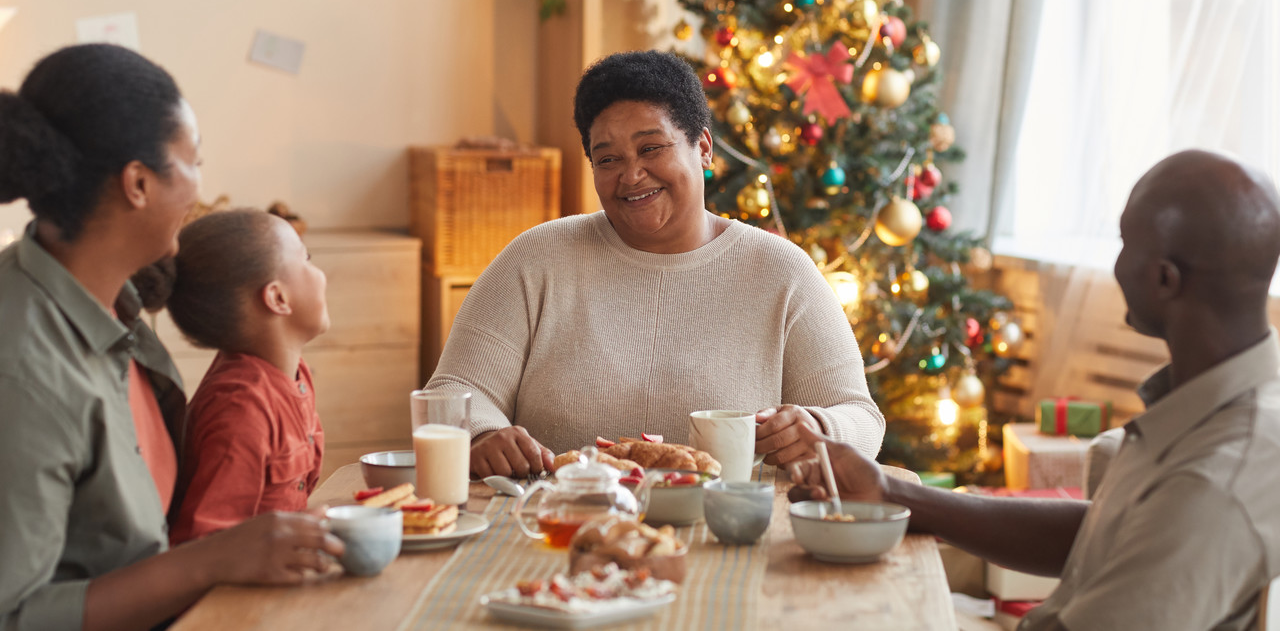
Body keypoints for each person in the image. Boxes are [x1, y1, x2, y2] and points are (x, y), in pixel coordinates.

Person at [790, 149, 1280, 631]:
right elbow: (1104, 534)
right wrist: (891, 492)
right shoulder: (1213, 400)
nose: (1116, 263)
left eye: (1125, 243)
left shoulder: (1214, 484)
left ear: (1163, 279)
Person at [0, 45, 342, 631]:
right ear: (138, 183)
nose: (201, 187)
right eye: (195, 162)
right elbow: (18, 614)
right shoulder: (26, 374)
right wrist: (209, 560)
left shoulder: (120, 306)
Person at [426, 49, 885, 478]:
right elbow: (449, 394)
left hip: (724, 535)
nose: (631, 175)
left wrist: (823, 429)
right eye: (608, 159)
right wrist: (482, 436)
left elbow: (862, 418)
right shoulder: (536, 259)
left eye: (651, 148)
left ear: (703, 147)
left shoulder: (780, 272)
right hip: (560, 529)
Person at [134, 208, 329, 544]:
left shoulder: (295, 378)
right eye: (306, 258)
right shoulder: (242, 408)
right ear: (277, 298)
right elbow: (204, 543)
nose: (321, 273)